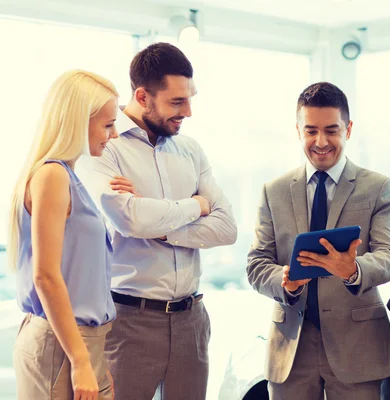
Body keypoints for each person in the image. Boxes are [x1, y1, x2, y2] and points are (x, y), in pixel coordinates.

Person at [78, 42, 237, 400]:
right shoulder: (104, 145)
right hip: (130, 321)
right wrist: (196, 206)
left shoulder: (191, 149)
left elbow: (227, 229)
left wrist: (161, 227)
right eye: (177, 102)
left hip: (192, 320)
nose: (189, 112)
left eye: (190, 98)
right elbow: (129, 219)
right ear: (143, 95)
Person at [247, 82, 390, 400]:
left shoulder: (379, 187)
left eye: (331, 130)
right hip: (290, 347)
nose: (321, 142)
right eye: (311, 131)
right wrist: (285, 281)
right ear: (298, 130)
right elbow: (257, 263)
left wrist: (353, 269)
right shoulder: (273, 191)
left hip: (357, 347)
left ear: (348, 128)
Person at [8, 70, 119, 400]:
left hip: (79, 342)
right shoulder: (53, 175)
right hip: (63, 345)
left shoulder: (68, 176)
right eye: (107, 124)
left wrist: (91, 358)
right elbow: (45, 276)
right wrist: (81, 360)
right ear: (77, 121)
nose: (112, 135)